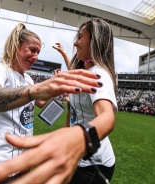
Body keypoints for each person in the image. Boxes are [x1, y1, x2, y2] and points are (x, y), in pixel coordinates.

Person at [0, 22, 103, 184]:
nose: (36, 57)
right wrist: (33, 90)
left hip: (20, 165)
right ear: (16, 46)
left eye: (38, 52)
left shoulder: (27, 78)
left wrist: (56, 86)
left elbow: (39, 102)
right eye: (32, 50)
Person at [52, 18, 117, 183]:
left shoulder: (98, 74)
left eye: (80, 37)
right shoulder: (85, 72)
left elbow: (106, 117)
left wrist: (76, 139)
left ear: (94, 41)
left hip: (93, 165)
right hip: (79, 157)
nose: (75, 43)